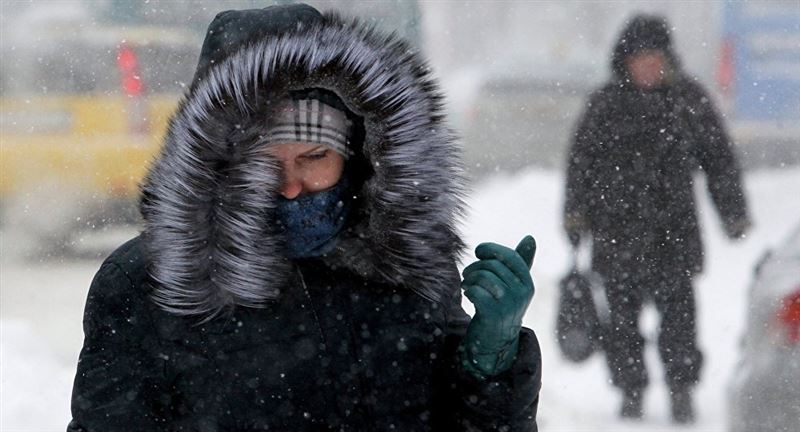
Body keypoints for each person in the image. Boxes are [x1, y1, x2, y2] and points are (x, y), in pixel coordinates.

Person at [68, 4, 542, 431]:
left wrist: (490, 364)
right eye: (264, 163)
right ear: (223, 159)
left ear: (356, 154)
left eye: (314, 156)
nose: (291, 187)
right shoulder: (152, 283)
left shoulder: (407, 265)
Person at [563, 14, 750, 424]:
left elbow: (719, 161)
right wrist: (575, 217)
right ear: (624, 61)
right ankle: (631, 390)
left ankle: (680, 390)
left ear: (668, 59)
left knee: (679, 323)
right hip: (616, 236)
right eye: (640, 58)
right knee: (622, 326)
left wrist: (733, 213)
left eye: (655, 58)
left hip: (674, 236)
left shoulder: (688, 100)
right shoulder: (605, 106)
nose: (649, 66)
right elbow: (580, 165)